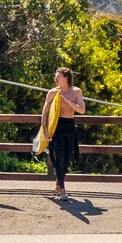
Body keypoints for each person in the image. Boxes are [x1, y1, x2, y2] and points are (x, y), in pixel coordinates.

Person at [42, 67, 86, 201]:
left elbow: (82, 110)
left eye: (58, 76)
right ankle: (63, 190)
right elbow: (45, 113)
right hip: (56, 126)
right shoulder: (51, 93)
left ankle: (57, 185)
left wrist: (66, 100)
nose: (55, 79)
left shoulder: (76, 91)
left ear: (66, 78)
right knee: (59, 157)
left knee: (67, 159)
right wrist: (44, 130)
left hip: (69, 126)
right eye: (55, 76)